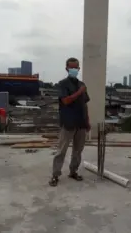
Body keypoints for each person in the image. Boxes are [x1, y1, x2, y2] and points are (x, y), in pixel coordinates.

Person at [49, 57, 91, 187]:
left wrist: (87, 121)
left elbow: (85, 105)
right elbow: (65, 101)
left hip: (81, 123)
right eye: (71, 67)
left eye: (76, 67)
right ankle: (55, 175)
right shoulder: (63, 84)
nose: (74, 70)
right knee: (62, 150)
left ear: (79, 68)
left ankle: (73, 171)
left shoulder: (82, 85)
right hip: (68, 123)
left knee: (78, 150)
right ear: (67, 68)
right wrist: (79, 92)